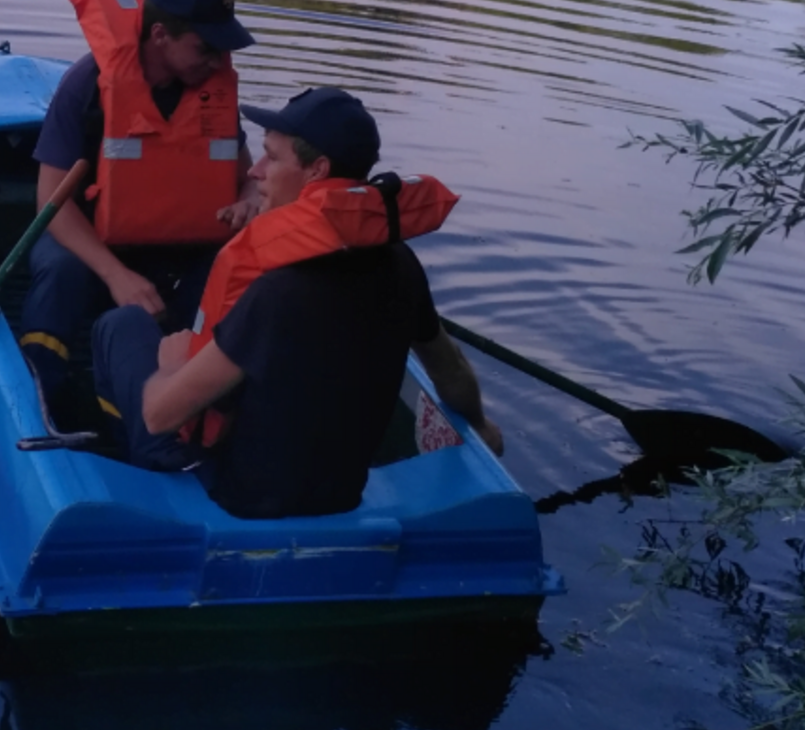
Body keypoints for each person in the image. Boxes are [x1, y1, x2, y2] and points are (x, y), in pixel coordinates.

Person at [90, 86, 505, 519]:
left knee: (122, 326)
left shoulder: (275, 290)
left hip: (240, 499)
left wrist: (172, 366)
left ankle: (146, 481)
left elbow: (161, 415)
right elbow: (450, 369)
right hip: (342, 494)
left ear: (316, 171)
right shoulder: (401, 263)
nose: (256, 172)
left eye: (271, 157)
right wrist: (479, 422)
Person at [18, 0, 260, 418]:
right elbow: (50, 201)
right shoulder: (86, 85)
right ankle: (42, 398)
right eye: (205, 47)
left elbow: (246, 178)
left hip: (178, 245)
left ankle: (198, 406)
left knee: (234, 270)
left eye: (222, 48)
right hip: (91, 240)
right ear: (160, 36)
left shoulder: (211, 92)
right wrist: (115, 275)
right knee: (61, 273)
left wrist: (249, 199)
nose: (216, 61)